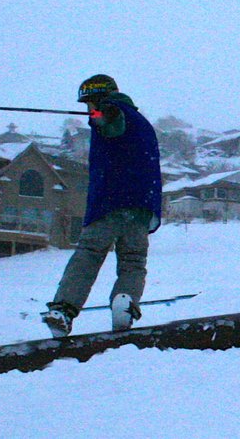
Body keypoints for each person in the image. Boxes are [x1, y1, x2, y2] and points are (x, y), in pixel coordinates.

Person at [42, 74, 162, 337]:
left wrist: (100, 113)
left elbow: (111, 122)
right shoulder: (142, 123)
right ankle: (125, 302)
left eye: (89, 104)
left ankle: (63, 309)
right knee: (133, 261)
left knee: (88, 254)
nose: (88, 110)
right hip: (141, 205)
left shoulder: (112, 112)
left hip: (109, 201)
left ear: (99, 98)